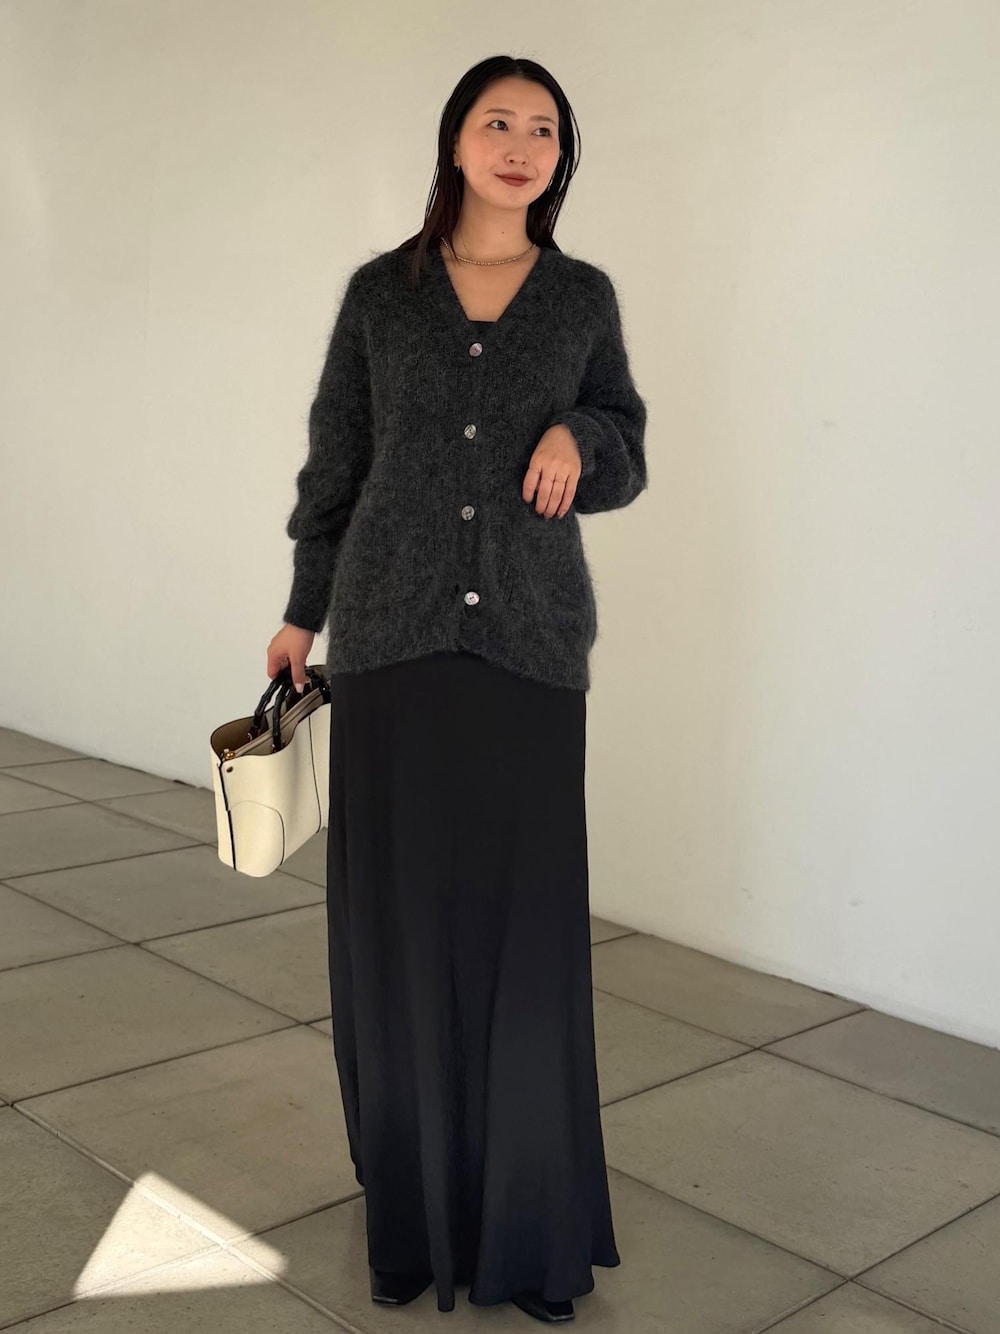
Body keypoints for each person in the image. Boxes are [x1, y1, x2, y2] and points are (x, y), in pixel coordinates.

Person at [266, 55, 648, 1324]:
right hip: (391, 643)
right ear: (455, 140)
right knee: (400, 936)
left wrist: (580, 436)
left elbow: (625, 448)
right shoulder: (383, 295)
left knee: (524, 940)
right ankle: (414, 1218)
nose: (520, 144)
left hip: (529, 650)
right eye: (498, 121)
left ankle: (528, 1229)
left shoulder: (580, 298)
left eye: (543, 128)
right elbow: (336, 464)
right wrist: (302, 612)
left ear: (560, 156)